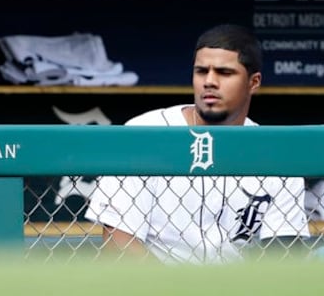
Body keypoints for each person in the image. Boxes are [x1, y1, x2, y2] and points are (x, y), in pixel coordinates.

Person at [84, 24, 309, 264]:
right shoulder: (145, 134)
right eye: (202, 71)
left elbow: (284, 255)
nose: (209, 81)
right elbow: (119, 243)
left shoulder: (276, 157)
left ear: (253, 82)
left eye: (224, 72)